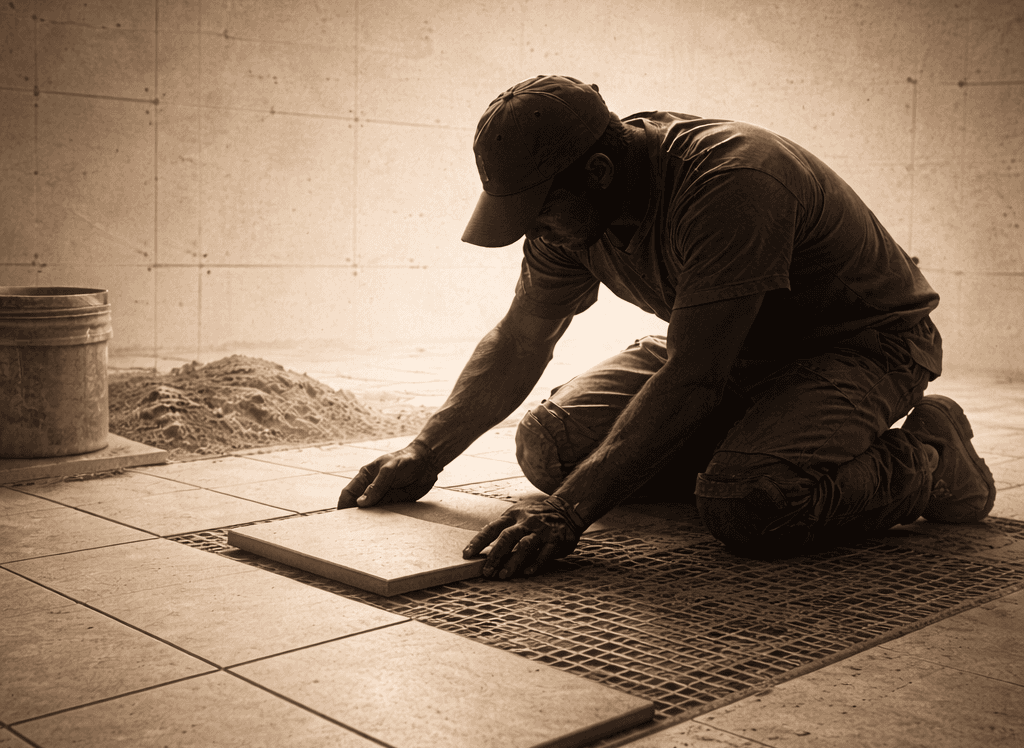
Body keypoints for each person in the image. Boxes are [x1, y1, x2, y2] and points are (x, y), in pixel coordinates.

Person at [338, 74, 996, 580]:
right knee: (550, 447)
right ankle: (758, 443)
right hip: (725, 346)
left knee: (748, 504)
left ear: (598, 173)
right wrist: (425, 452)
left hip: (860, 347)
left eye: (540, 216)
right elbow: (520, 338)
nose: (535, 235)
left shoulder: (733, 183)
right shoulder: (573, 210)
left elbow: (695, 374)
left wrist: (569, 512)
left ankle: (931, 460)